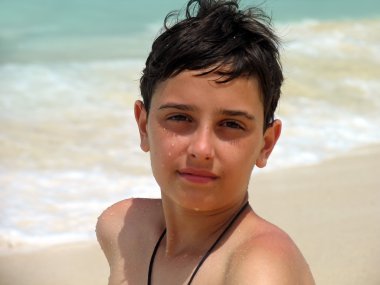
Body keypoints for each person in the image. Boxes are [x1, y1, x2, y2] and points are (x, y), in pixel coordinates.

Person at [96, 0, 315, 284]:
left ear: (266, 145)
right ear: (143, 126)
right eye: (179, 118)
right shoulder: (124, 231)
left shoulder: (258, 270)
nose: (201, 149)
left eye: (231, 124)